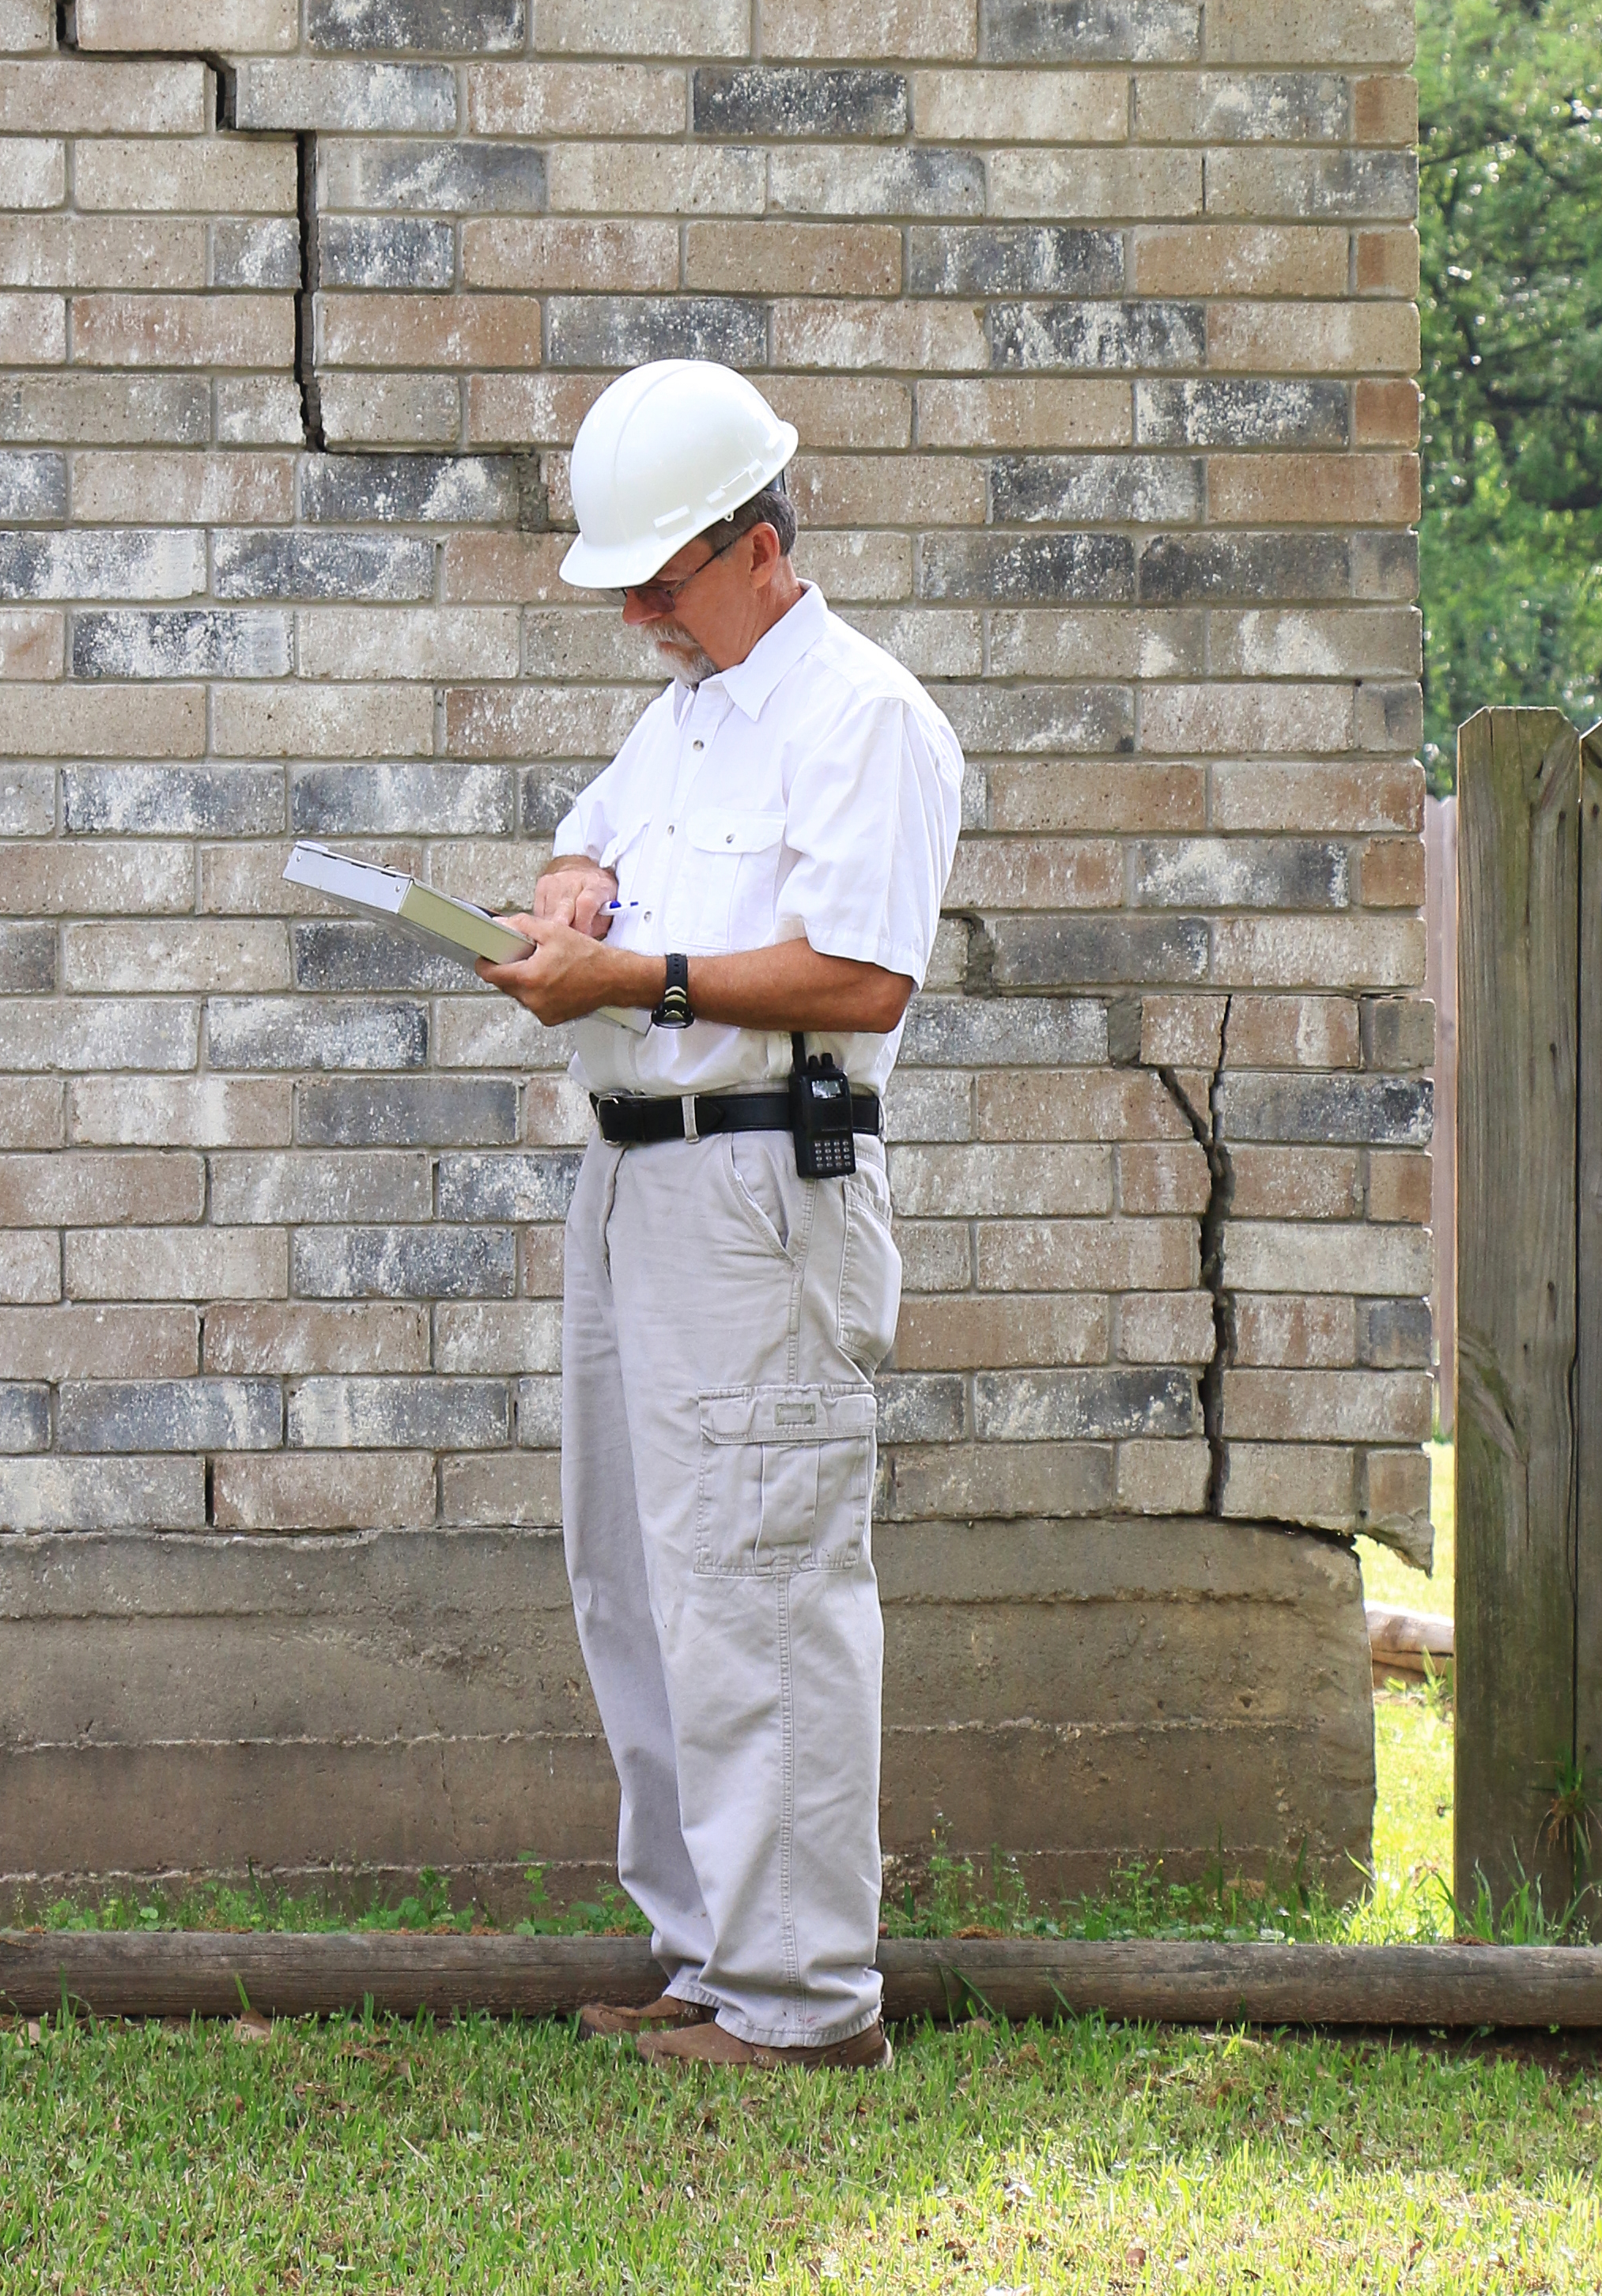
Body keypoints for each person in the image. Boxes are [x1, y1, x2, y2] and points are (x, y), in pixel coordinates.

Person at [478, 357, 964, 2071]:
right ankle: (709, 1960)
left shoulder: (863, 720)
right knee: (640, 1581)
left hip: (763, 1181)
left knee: (761, 1582)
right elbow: (583, 848)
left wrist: (644, 969)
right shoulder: (685, 715)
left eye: (660, 585)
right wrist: (566, 892)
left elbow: (864, 972)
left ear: (759, 545)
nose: (637, 618)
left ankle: (807, 2001)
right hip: (635, 1178)